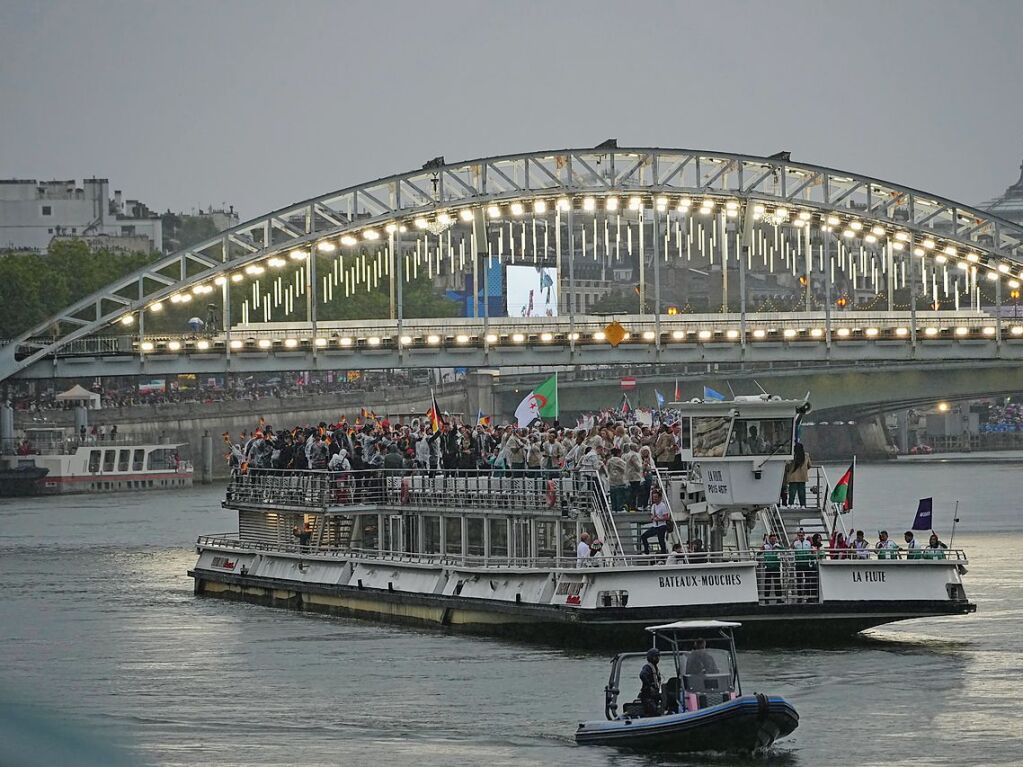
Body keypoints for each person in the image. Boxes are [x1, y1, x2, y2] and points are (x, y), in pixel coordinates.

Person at [640, 487, 671, 555]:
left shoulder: (662, 506)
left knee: (661, 541)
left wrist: (659, 519)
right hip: (655, 526)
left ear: (659, 497)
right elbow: (652, 514)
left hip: (661, 526)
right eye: (653, 497)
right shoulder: (653, 506)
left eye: (656, 497)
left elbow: (666, 517)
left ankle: (663, 554)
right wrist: (652, 517)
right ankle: (646, 549)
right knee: (643, 536)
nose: (654, 499)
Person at [638, 648, 663, 716]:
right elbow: (642, 675)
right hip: (647, 696)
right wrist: (650, 686)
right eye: (656, 657)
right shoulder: (647, 667)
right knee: (653, 711)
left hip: (654, 695)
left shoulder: (655, 668)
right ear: (651, 657)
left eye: (658, 656)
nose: (658, 658)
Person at [786, 442, 811, 507]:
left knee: (792, 492)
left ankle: (790, 504)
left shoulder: (792, 456)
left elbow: (787, 467)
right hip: (802, 477)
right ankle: (802, 505)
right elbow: (809, 465)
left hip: (793, 477)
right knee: (802, 492)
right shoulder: (806, 455)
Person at [761, 532, 783, 604]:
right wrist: (763, 545)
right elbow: (759, 552)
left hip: (776, 566)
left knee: (777, 583)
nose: (773, 540)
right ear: (769, 539)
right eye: (772, 538)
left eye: (774, 538)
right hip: (768, 566)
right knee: (767, 583)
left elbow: (784, 550)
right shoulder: (766, 546)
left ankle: (779, 598)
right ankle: (766, 598)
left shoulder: (778, 545)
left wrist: (778, 547)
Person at [792, 528, 813, 601]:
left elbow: (811, 551)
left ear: (804, 535)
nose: (801, 536)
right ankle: (799, 595)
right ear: (798, 535)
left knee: (807, 580)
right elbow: (791, 549)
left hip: (806, 563)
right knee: (799, 580)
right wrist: (793, 542)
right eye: (799, 535)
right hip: (798, 563)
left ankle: (807, 595)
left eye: (802, 535)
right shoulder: (795, 543)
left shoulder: (808, 542)